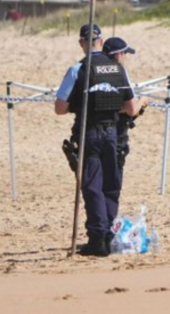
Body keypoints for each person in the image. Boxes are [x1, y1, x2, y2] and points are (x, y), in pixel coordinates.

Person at [54, 24, 139, 256]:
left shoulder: (78, 69)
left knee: (92, 186)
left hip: (88, 132)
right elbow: (131, 108)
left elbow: (60, 108)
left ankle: (97, 237)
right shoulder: (118, 68)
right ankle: (109, 233)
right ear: (101, 41)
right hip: (112, 132)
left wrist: (81, 105)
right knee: (111, 185)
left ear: (82, 43)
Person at [102, 37, 145, 177]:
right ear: (118, 54)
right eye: (125, 54)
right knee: (114, 174)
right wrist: (143, 101)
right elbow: (131, 109)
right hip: (117, 127)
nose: (125, 57)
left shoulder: (95, 68)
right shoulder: (120, 71)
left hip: (96, 127)